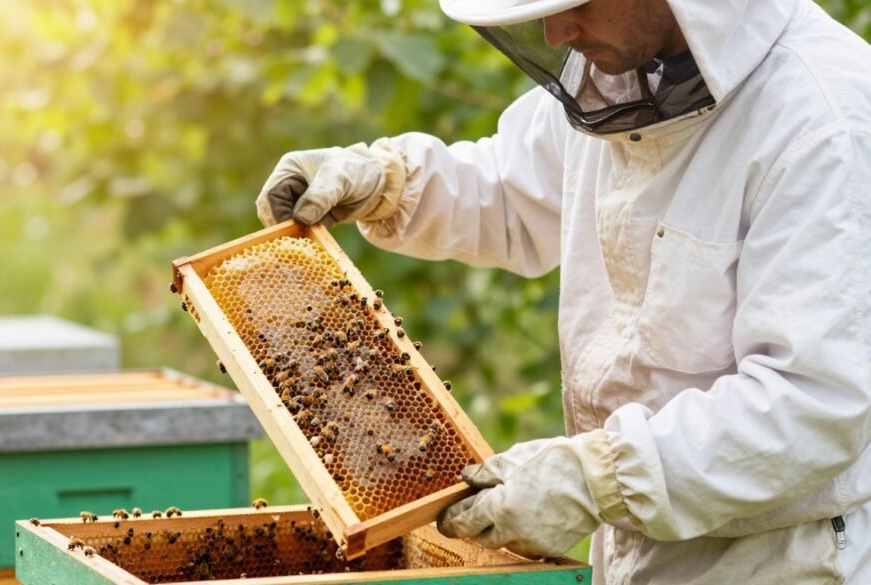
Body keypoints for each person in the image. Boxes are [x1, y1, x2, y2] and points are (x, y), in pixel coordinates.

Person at [255, 0, 871, 581]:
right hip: (632, 540)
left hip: (780, 558)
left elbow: (812, 403)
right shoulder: (625, 71)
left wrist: (596, 477)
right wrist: (389, 180)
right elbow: (510, 190)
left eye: (577, 3)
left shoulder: (823, 119)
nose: (555, 33)